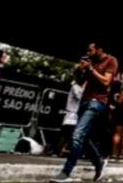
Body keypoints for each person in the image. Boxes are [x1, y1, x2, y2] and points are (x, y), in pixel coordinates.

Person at [50, 42, 118, 183]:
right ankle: (99, 162)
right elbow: (80, 81)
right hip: (84, 101)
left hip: (97, 102)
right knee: (84, 137)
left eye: (90, 50)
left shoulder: (111, 60)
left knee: (77, 135)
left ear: (100, 49)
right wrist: (79, 70)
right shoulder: (90, 61)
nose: (88, 52)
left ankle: (66, 172)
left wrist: (91, 69)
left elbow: (106, 82)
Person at [56, 76, 85, 157]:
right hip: (71, 114)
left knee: (70, 134)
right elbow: (79, 96)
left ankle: (66, 150)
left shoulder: (81, 88)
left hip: (76, 115)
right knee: (67, 133)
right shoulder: (75, 87)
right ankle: (59, 150)